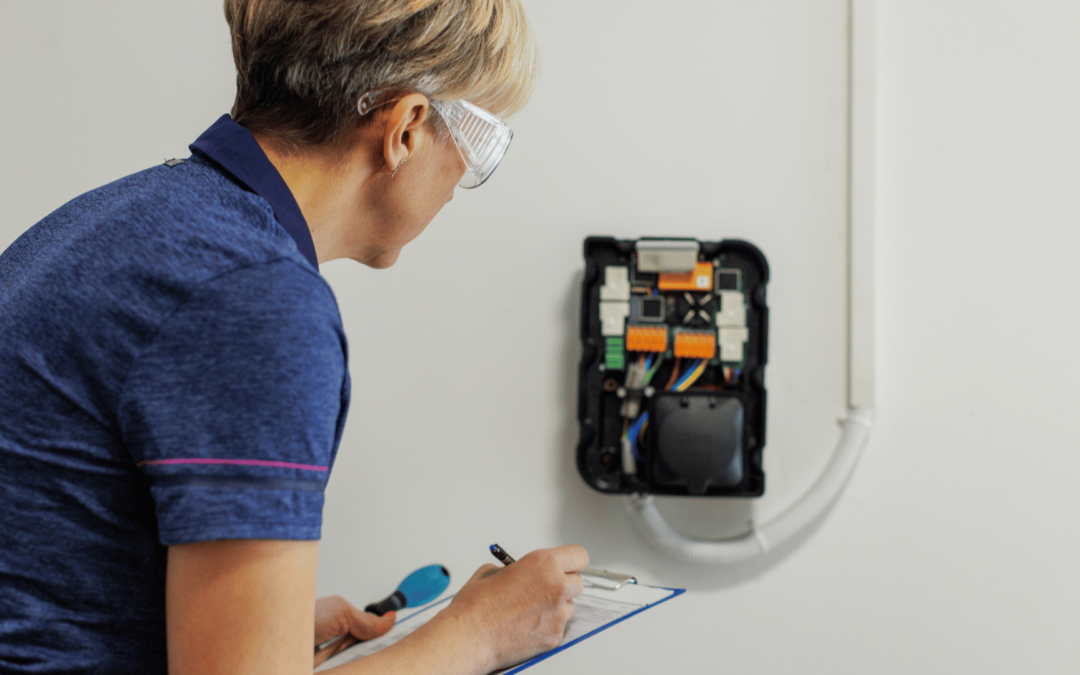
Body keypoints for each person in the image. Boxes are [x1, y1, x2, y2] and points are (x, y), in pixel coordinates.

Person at [0, 1, 588, 673]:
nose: (461, 181)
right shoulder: (253, 300)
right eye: (478, 139)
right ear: (406, 127)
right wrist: (479, 636)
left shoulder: (122, 218)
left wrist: (255, 627)